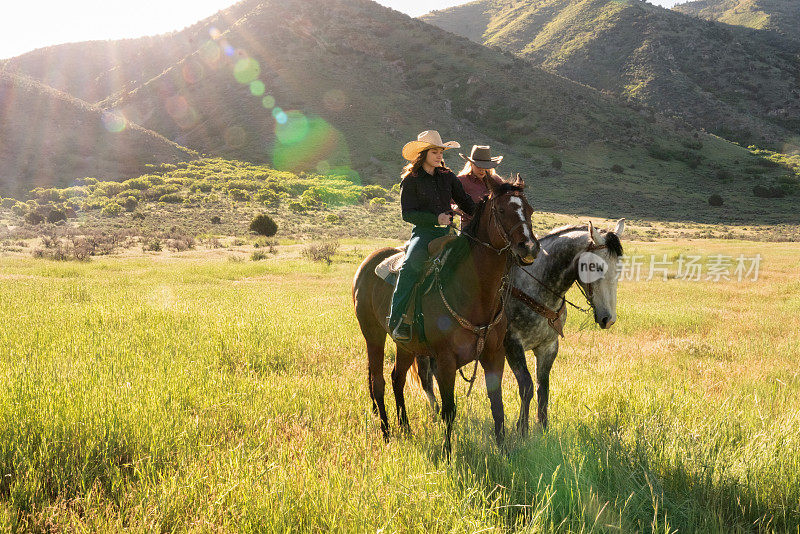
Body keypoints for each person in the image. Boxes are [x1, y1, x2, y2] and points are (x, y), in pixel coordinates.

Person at [387, 130, 477, 342]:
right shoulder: (411, 180)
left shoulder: (448, 177)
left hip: (448, 234)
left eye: (441, 152)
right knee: (410, 267)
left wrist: (484, 213)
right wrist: (436, 219)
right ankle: (397, 320)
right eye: (435, 152)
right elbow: (407, 214)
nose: (439, 156)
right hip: (424, 234)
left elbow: (465, 201)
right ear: (423, 154)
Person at [454, 145, 504, 229]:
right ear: (471, 164)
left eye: (485, 166)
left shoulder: (496, 180)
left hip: (494, 228)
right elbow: (449, 201)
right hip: (470, 227)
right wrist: (455, 208)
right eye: (478, 166)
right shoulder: (461, 181)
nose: (482, 170)